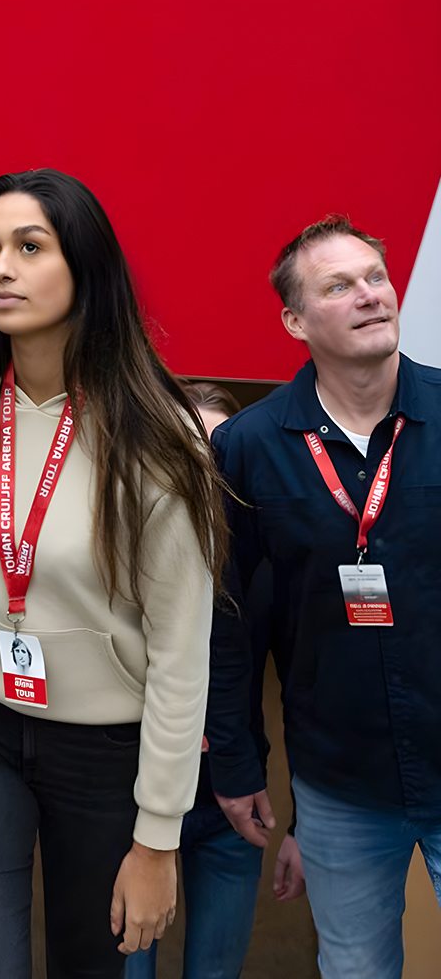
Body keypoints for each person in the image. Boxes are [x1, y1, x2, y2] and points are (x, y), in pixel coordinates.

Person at [0, 169, 229, 977]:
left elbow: (182, 656)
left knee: (91, 963)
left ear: (86, 267)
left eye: (29, 247)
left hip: (103, 745)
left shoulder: (161, 443)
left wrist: (158, 838)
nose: (0, 269)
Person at [206, 215, 441, 978]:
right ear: (295, 320)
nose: (370, 295)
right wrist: (238, 762)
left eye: (375, 277)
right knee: (355, 968)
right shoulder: (248, 445)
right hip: (339, 786)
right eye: (339, 286)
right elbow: (225, 622)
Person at [125, 381, 305, 979]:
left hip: (232, 794)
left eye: (218, 453)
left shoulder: (262, 562)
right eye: (187, 448)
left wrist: (304, 820)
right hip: (132, 792)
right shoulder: (126, 546)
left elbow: (310, 685)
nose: (203, 468)